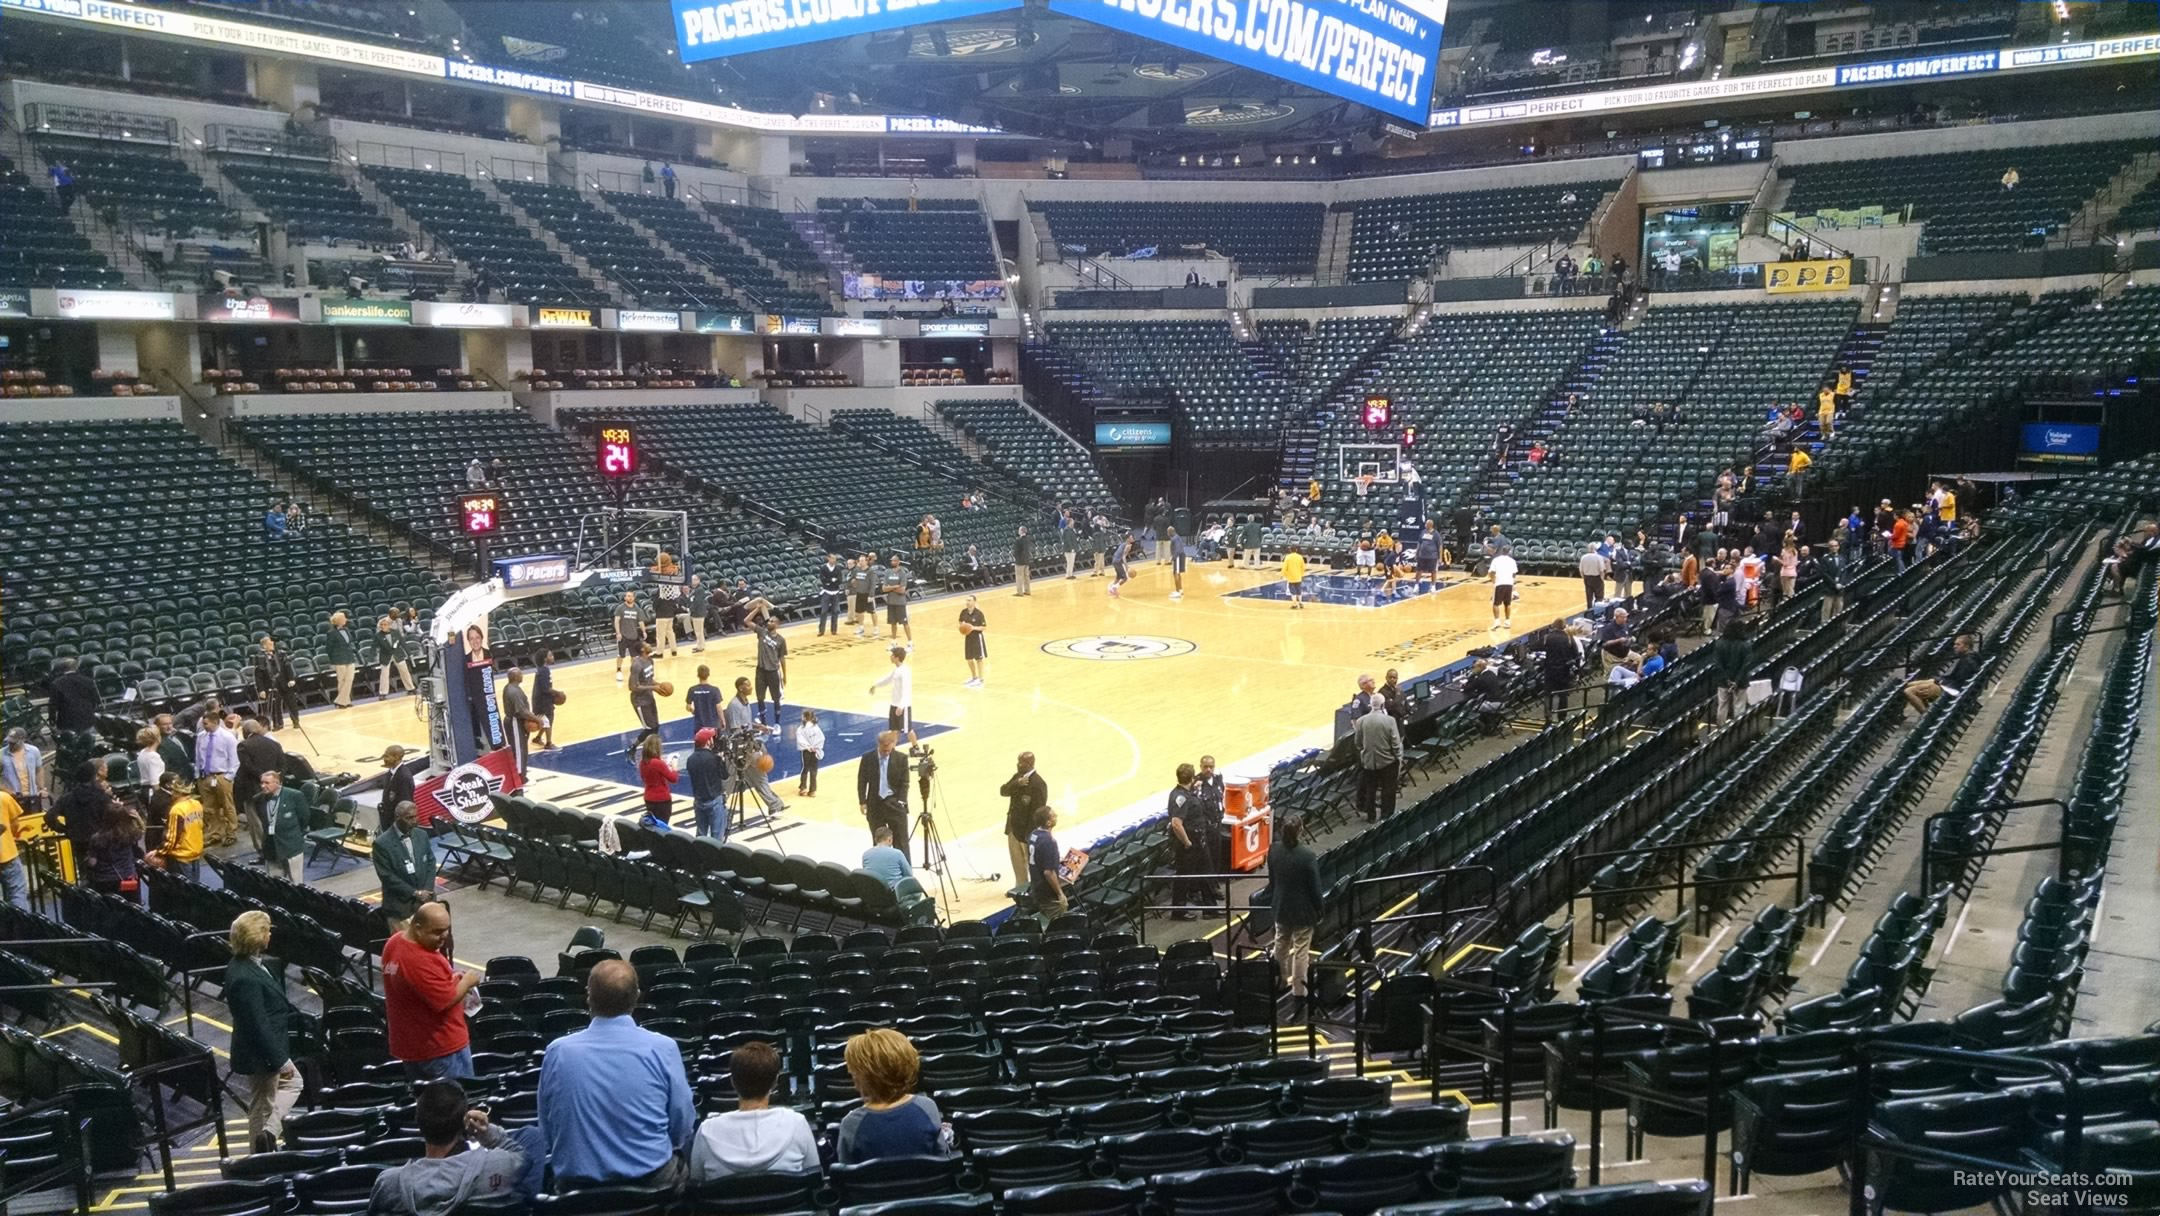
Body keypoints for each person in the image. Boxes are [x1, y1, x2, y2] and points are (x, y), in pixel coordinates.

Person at [541, 960, 694, 1189]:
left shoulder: (558, 1052)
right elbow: (681, 1122)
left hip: (579, 1191)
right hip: (651, 1183)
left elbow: (548, 1126)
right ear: (637, 997)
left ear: (588, 997)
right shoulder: (662, 1048)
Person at [370, 1079, 538, 1216]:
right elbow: (523, 1157)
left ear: (419, 1124)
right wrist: (487, 1135)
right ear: (464, 1124)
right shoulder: (497, 1167)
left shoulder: (389, 1184)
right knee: (531, 1135)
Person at [226, 910, 301, 1154]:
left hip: (262, 1049)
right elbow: (257, 1024)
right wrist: (281, 1060)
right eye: (267, 930)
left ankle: (267, 1137)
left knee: (268, 1101)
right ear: (258, 937)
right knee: (263, 1104)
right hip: (261, 1053)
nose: (270, 934)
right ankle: (261, 1151)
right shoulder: (246, 978)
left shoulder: (247, 965)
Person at [688, 1041, 819, 1181]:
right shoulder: (797, 1123)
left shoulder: (707, 1131)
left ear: (732, 1082)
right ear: (775, 1082)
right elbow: (815, 1178)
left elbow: (696, 1187)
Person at [384, 901, 479, 1082]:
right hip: (440, 1049)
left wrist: (450, 979)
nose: (444, 936)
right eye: (437, 932)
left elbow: (421, 988)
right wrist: (467, 981)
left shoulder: (394, 943)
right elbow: (445, 1000)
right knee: (455, 1105)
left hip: (413, 1046)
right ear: (418, 928)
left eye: (446, 929)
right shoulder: (418, 960)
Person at [835, 1028, 944, 1163]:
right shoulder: (927, 1107)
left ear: (860, 1077)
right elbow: (942, 1159)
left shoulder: (851, 1124)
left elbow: (847, 1176)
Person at [1269, 815, 1322, 1001]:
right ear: (1301, 830)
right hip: (1303, 910)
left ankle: (1279, 982)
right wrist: (1319, 909)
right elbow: (1315, 888)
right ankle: (1299, 990)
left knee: (1280, 944)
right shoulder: (1307, 856)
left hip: (1281, 905)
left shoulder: (1273, 849)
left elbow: (1272, 880)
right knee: (1301, 950)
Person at [721, 678, 787, 820]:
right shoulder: (734, 705)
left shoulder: (745, 702)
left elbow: (745, 724)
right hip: (736, 751)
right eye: (748, 685)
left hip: (748, 748)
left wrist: (757, 727)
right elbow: (735, 729)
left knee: (760, 778)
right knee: (729, 782)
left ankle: (775, 805)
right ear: (740, 688)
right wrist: (754, 734)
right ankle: (718, 807)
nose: (751, 687)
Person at [373, 800, 437, 922]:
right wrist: (415, 893)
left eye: (416, 816)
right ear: (397, 818)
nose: (414, 821)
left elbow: (430, 862)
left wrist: (427, 891)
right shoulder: (381, 844)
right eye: (409, 818)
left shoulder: (422, 835)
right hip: (400, 906)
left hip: (426, 902)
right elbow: (386, 876)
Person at [1166, 764, 1213, 919]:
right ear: (1192, 778)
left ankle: (1210, 908)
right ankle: (1178, 910)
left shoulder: (1185, 793)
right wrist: (1187, 843)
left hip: (1199, 840)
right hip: (1190, 844)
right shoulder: (1180, 797)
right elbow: (1176, 823)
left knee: (1206, 873)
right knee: (1184, 877)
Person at [857, 729, 911, 853]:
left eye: (889, 749)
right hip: (875, 804)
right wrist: (862, 801)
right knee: (879, 844)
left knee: (901, 843)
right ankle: (880, 871)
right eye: (884, 750)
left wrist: (901, 802)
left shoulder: (901, 758)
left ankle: (904, 872)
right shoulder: (867, 758)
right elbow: (862, 781)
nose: (887, 752)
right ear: (879, 744)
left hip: (894, 803)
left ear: (893, 743)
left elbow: (905, 783)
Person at [236, 718, 284, 857]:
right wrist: (274, 780)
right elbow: (282, 765)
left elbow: (247, 767)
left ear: (245, 731)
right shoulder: (274, 744)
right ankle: (277, 848)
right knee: (274, 818)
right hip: (275, 787)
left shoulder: (243, 746)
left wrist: (262, 777)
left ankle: (264, 853)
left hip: (252, 789)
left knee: (256, 823)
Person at [1902, 634, 1981, 717]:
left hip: (1951, 689)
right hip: (1949, 685)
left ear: (1966, 647)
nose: (1954, 646)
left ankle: (1927, 717)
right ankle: (1928, 710)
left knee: (1909, 691)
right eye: (1955, 644)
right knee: (1909, 684)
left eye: (1958, 644)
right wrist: (1938, 680)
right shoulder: (1969, 657)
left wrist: (1940, 681)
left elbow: (1959, 682)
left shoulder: (1968, 662)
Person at [194, 712, 240, 846]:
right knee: (209, 808)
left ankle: (231, 833)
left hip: (221, 776)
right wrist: (197, 775)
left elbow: (234, 759)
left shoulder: (228, 737)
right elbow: (198, 757)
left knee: (227, 806)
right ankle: (215, 833)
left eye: (206, 723)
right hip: (205, 776)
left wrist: (228, 777)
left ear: (215, 722)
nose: (204, 726)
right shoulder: (201, 737)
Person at [1353, 701, 1402, 822]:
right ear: (1382, 705)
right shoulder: (1389, 720)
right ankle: (1386, 816)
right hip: (1388, 761)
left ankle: (1371, 816)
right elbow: (1395, 742)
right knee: (1388, 789)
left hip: (1369, 762)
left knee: (1370, 789)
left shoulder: (1360, 721)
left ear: (1370, 705)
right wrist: (1398, 757)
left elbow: (1357, 743)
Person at [84, 803, 145, 900]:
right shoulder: (130, 834)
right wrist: (137, 818)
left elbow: (92, 863)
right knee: (132, 909)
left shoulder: (96, 838)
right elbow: (142, 830)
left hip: (105, 880)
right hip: (128, 878)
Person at [257, 769, 309, 883]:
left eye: (267, 783)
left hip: (291, 845)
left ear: (278, 783)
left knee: (296, 883)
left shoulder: (294, 796)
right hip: (271, 847)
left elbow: (304, 818)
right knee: (275, 884)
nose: (263, 786)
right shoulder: (258, 799)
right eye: (261, 783)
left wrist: (293, 833)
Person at [686, 729, 727, 840]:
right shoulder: (714, 759)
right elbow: (725, 775)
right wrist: (722, 760)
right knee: (716, 837)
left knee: (701, 835)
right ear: (708, 741)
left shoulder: (690, 760)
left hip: (698, 801)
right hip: (714, 801)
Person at [870, 645, 916, 741]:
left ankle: (915, 748)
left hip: (903, 706)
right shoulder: (897, 670)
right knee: (894, 730)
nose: (890, 657)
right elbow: (887, 679)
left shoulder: (904, 671)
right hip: (894, 704)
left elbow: (906, 689)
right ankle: (892, 749)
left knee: (908, 729)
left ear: (897, 658)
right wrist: (875, 685)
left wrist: (901, 706)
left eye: (892, 655)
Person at [1711, 620, 1753, 725]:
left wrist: (1727, 679)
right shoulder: (1746, 645)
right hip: (1741, 681)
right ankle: (1737, 728)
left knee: (1722, 705)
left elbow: (1718, 664)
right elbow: (1745, 665)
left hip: (1723, 681)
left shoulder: (1719, 643)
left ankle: (1720, 730)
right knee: (1739, 706)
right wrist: (1736, 681)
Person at [637, 735, 679, 831]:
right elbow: (674, 778)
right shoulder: (658, 763)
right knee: (662, 827)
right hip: (662, 800)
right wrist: (675, 767)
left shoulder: (642, 763)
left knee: (653, 826)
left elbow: (644, 778)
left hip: (649, 798)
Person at [627, 641, 661, 754]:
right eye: (647, 644)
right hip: (640, 701)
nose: (649, 645)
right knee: (649, 728)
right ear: (642, 649)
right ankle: (631, 749)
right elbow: (632, 686)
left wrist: (659, 685)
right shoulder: (636, 664)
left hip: (649, 697)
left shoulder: (650, 661)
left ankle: (652, 751)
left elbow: (649, 679)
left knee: (655, 727)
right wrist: (653, 687)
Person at [500, 667, 533, 777]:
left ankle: (521, 772)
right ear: (515, 677)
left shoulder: (512, 687)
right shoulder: (513, 691)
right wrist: (536, 719)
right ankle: (520, 778)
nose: (522, 675)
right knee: (519, 751)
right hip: (515, 722)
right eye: (520, 674)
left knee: (521, 749)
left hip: (515, 722)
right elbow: (521, 711)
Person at [2, 728, 44, 811]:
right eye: (9, 742)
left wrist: (42, 788)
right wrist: (5, 789)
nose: (11, 745)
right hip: (11, 798)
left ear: (23, 740)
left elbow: (39, 769)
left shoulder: (34, 751)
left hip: (32, 796)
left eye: (14, 743)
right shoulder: (1, 754)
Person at [861, 825, 913, 890]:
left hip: (873, 892)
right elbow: (909, 875)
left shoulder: (866, 854)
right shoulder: (897, 853)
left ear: (875, 840)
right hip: (893, 894)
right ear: (890, 840)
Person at [325, 611, 358, 709]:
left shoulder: (346, 629)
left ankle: (339, 700)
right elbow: (329, 648)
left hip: (349, 657)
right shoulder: (331, 633)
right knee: (342, 680)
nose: (346, 619)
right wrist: (333, 659)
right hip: (339, 659)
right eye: (344, 618)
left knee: (349, 679)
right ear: (338, 620)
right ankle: (345, 701)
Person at [613, 592, 644, 682]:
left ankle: (634, 673)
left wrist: (644, 631)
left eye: (631, 596)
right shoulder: (620, 608)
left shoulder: (637, 609)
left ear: (634, 598)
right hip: (623, 636)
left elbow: (640, 621)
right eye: (628, 596)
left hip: (633, 636)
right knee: (621, 656)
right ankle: (618, 671)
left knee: (634, 657)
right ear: (625, 598)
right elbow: (616, 621)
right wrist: (618, 633)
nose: (630, 598)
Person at [882, 556, 913, 644]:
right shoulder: (888, 572)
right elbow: (884, 588)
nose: (893, 562)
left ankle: (910, 642)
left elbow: (902, 590)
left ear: (898, 562)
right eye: (892, 560)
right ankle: (894, 642)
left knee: (905, 623)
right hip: (891, 602)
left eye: (895, 560)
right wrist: (895, 586)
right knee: (893, 623)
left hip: (900, 602)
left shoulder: (902, 573)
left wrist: (890, 588)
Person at [530, 652, 557, 751]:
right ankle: (549, 744)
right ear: (545, 659)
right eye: (550, 655)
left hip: (541, 699)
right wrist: (558, 693)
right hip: (542, 701)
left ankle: (537, 738)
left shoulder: (541, 669)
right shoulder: (544, 670)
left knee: (547, 721)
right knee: (548, 720)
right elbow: (545, 688)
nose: (553, 657)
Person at [958, 595, 988, 687]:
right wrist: (962, 626)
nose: (967, 602)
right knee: (969, 659)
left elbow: (984, 627)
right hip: (968, 637)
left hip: (977, 637)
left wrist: (972, 627)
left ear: (974, 602)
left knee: (979, 659)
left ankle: (981, 679)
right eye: (966, 600)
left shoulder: (979, 613)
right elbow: (960, 622)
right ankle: (974, 677)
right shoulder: (963, 612)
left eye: (969, 600)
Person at [794, 709, 824, 799]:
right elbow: (822, 738)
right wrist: (816, 747)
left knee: (805, 768)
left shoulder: (801, 729)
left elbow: (800, 741)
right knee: (814, 770)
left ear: (804, 717)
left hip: (807, 751)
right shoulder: (816, 728)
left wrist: (808, 747)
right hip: (815, 751)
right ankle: (813, 790)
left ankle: (803, 788)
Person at [1489, 544, 1519, 630]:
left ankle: (1497, 621)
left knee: (1495, 603)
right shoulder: (1512, 561)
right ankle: (1507, 621)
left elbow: (1491, 572)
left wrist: (1493, 580)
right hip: (1509, 583)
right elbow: (1514, 573)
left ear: (1502, 551)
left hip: (1499, 583)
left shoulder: (1496, 560)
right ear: (1509, 552)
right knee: (1508, 603)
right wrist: (1512, 581)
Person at [815, 554, 845, 636]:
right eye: (832, 558)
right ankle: (821, 630)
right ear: (828, 559)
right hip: (826, 592)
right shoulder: (823, 568)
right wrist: (832, 580)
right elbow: (823, 580)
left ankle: (834, 630)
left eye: (835, 558)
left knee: (835, 611)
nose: (834, 560)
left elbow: (839, 580)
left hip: (835, 592)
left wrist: (830, 581)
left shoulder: (838, 568)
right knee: (824, 611)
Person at [848, 557, 876, 637]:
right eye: (860, 561)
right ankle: (861, 627)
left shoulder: (870, 571)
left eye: (863, 561)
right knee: (859, 612)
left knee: (872, 612)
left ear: (866, 561)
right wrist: (853, 583)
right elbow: (853, 580)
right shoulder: (857, 570)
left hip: (867, 594)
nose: (861, 562)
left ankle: (875, 628)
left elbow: (873, 584)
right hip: (859, 593)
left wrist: (871, 595)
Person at [1578, 541, 1607, 612]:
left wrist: (1584, 578)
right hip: (1597, 577)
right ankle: (1598, 610)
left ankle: (1589, 610)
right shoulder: (1599, 557)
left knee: (1589, 596)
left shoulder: (1583, 557)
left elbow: (1581, 570)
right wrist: (1602, 579)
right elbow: (1601, 570)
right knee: (1599, 596)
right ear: (1596, 549)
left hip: (1587, 578)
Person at [1281, 545, 1307, 609]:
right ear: (1296, 550)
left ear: (1290, 550)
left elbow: (1284, 567)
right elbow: (1303, 567)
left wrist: (1283, 575)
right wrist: (1302, 574)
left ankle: (1294, 604)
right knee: (1299, 591)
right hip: (1298, 577)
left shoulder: (1288, 557)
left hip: (1291, 577)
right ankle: (1300, 603)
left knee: (1293, 592)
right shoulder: (1300, 557)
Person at [1012, 525, 1033, 596]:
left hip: (1020, 560)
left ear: (1021, 531)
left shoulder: (1018, 540)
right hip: (1026, 560)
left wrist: (1015, 557)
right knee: (1026, 576)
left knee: (1019, 576)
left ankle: (1019, 591)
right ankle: (1027, 590)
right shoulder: (1028, 539)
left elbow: (1016, 551)